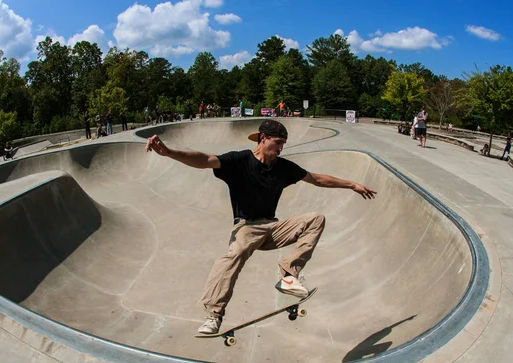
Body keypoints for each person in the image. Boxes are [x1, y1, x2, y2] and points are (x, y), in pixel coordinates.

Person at [145, 120, 377, 334]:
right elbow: (205, 160)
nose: (281, 149)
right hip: (246, 228)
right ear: (263, 138)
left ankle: (288, 275)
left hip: (273, 228)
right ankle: (213, 315)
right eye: (278, 143)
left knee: (315, 218)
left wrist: (351, 184)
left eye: (284, 144)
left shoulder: (284, 167)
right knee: (232, 256)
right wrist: (169, 152)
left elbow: (316, 179)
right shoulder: (238, 161)